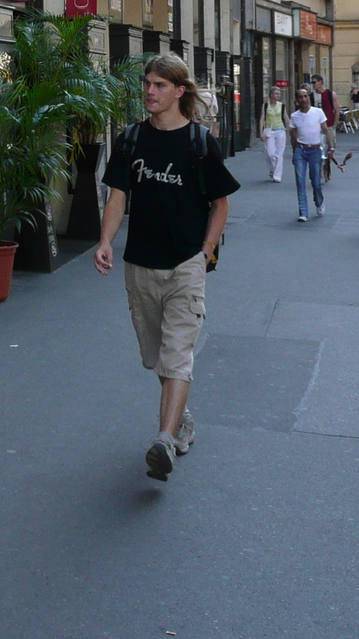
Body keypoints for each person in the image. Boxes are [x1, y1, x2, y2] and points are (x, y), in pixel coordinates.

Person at [94, 54, 237, 483]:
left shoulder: (199, 141)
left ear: (180, 91)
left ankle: (163, 440)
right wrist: (104, 241)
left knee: (178, 355)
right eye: (147, 84)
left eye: (160, 85)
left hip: (186, 263)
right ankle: (181, 419)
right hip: (140, 263)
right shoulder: (132, 138)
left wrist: (207, 248)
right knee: (157, 356)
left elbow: (221, 203)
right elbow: (117, 196)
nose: (150, 92)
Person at [287, 86, 334, 222]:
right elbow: (293, 136)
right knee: (300, 181)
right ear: (297, 101)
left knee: (316, 182)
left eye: (306, 96)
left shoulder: (318, 112)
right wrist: (294, 152)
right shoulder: (294, 116)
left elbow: (326, 130)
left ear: (309, 98)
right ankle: (303, 212)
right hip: (301, 150)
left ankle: (319, 202)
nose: (304, 99)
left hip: (315, 149)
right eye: (300, 97)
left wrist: (331, 148)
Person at [259, 86, 288, 182]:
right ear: (271, 95)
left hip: (280, 130)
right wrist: (261, 132)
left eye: (279, 94)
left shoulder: (282, 106)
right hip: (269, 131)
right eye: (276, 93)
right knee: (270, 153)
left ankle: (277, 176)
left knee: (279, 154)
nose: (278, 95)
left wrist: (291, 128)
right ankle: (272, 169)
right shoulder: (266, 105)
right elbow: (262, 118)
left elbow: (286, 117)